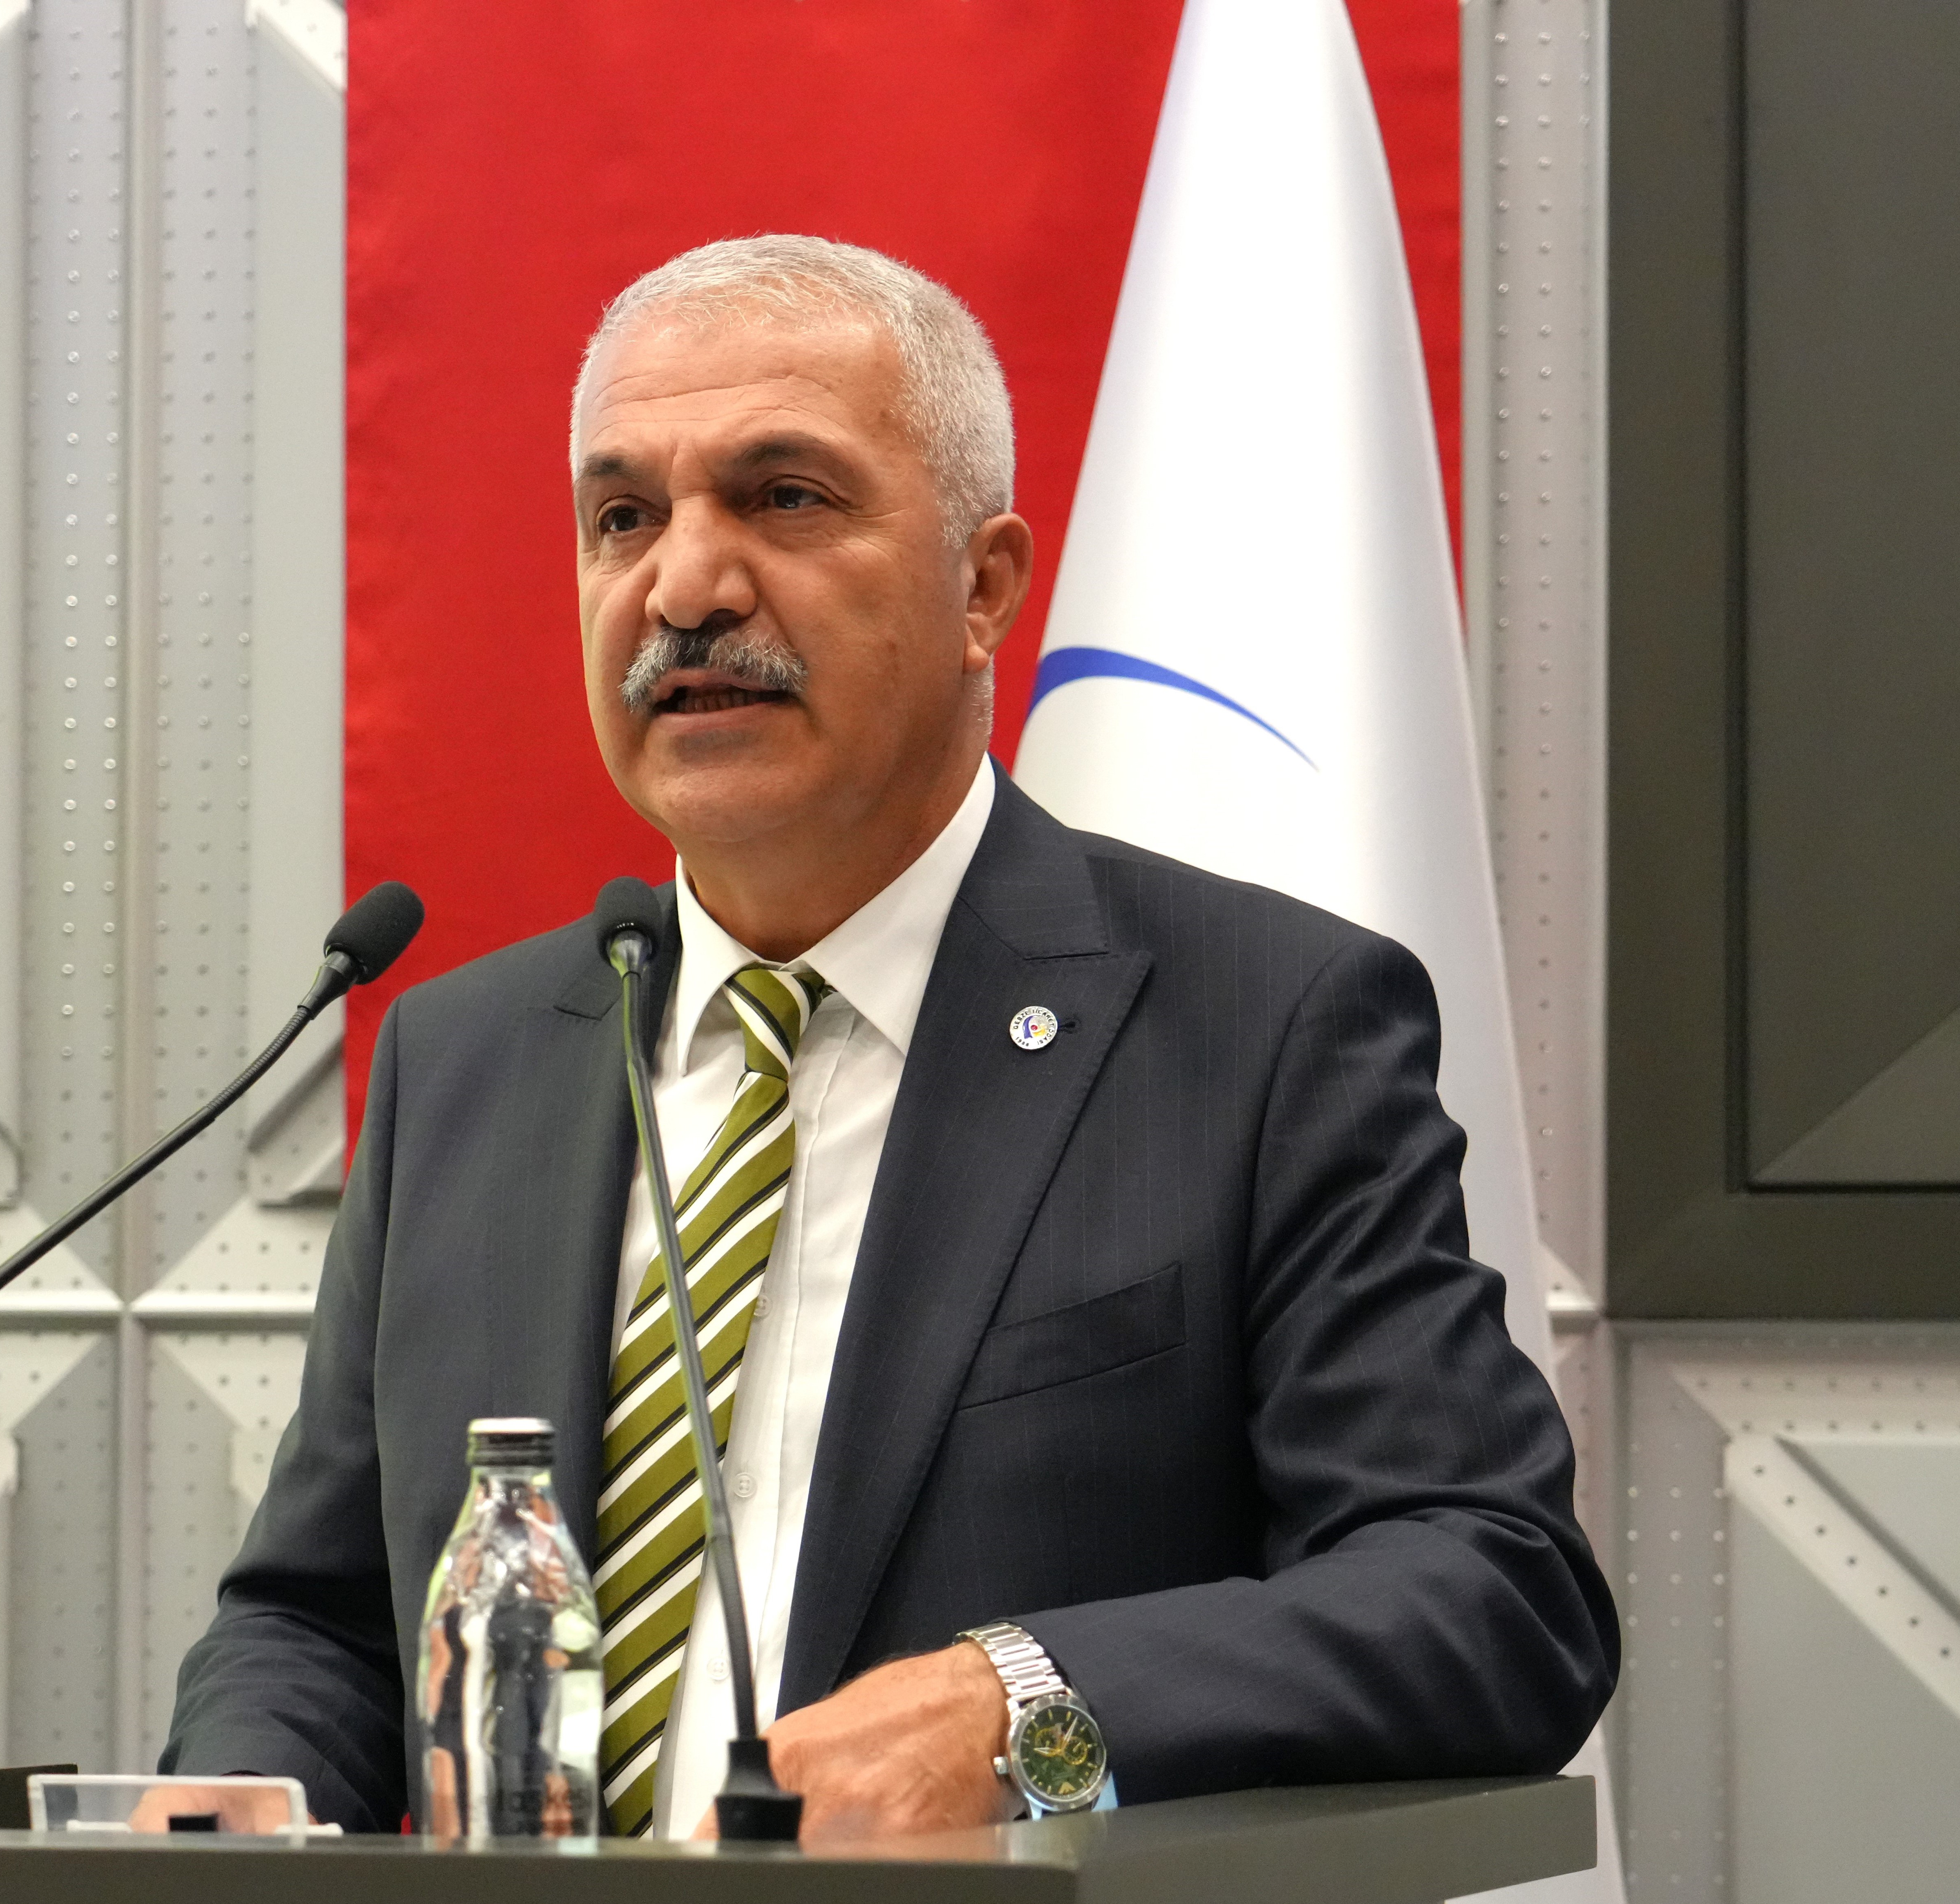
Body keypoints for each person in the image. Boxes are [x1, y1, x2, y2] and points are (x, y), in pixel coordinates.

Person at [155, 235, 1618, 1842]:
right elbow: (321, 1621)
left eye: (784, 497)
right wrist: (245, 1796)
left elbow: (1494, 1589)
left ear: (984, 587)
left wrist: (1019, 1705)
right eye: (623, 516)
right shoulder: (469, 1059)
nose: (685, 589)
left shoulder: (1258, 1028)